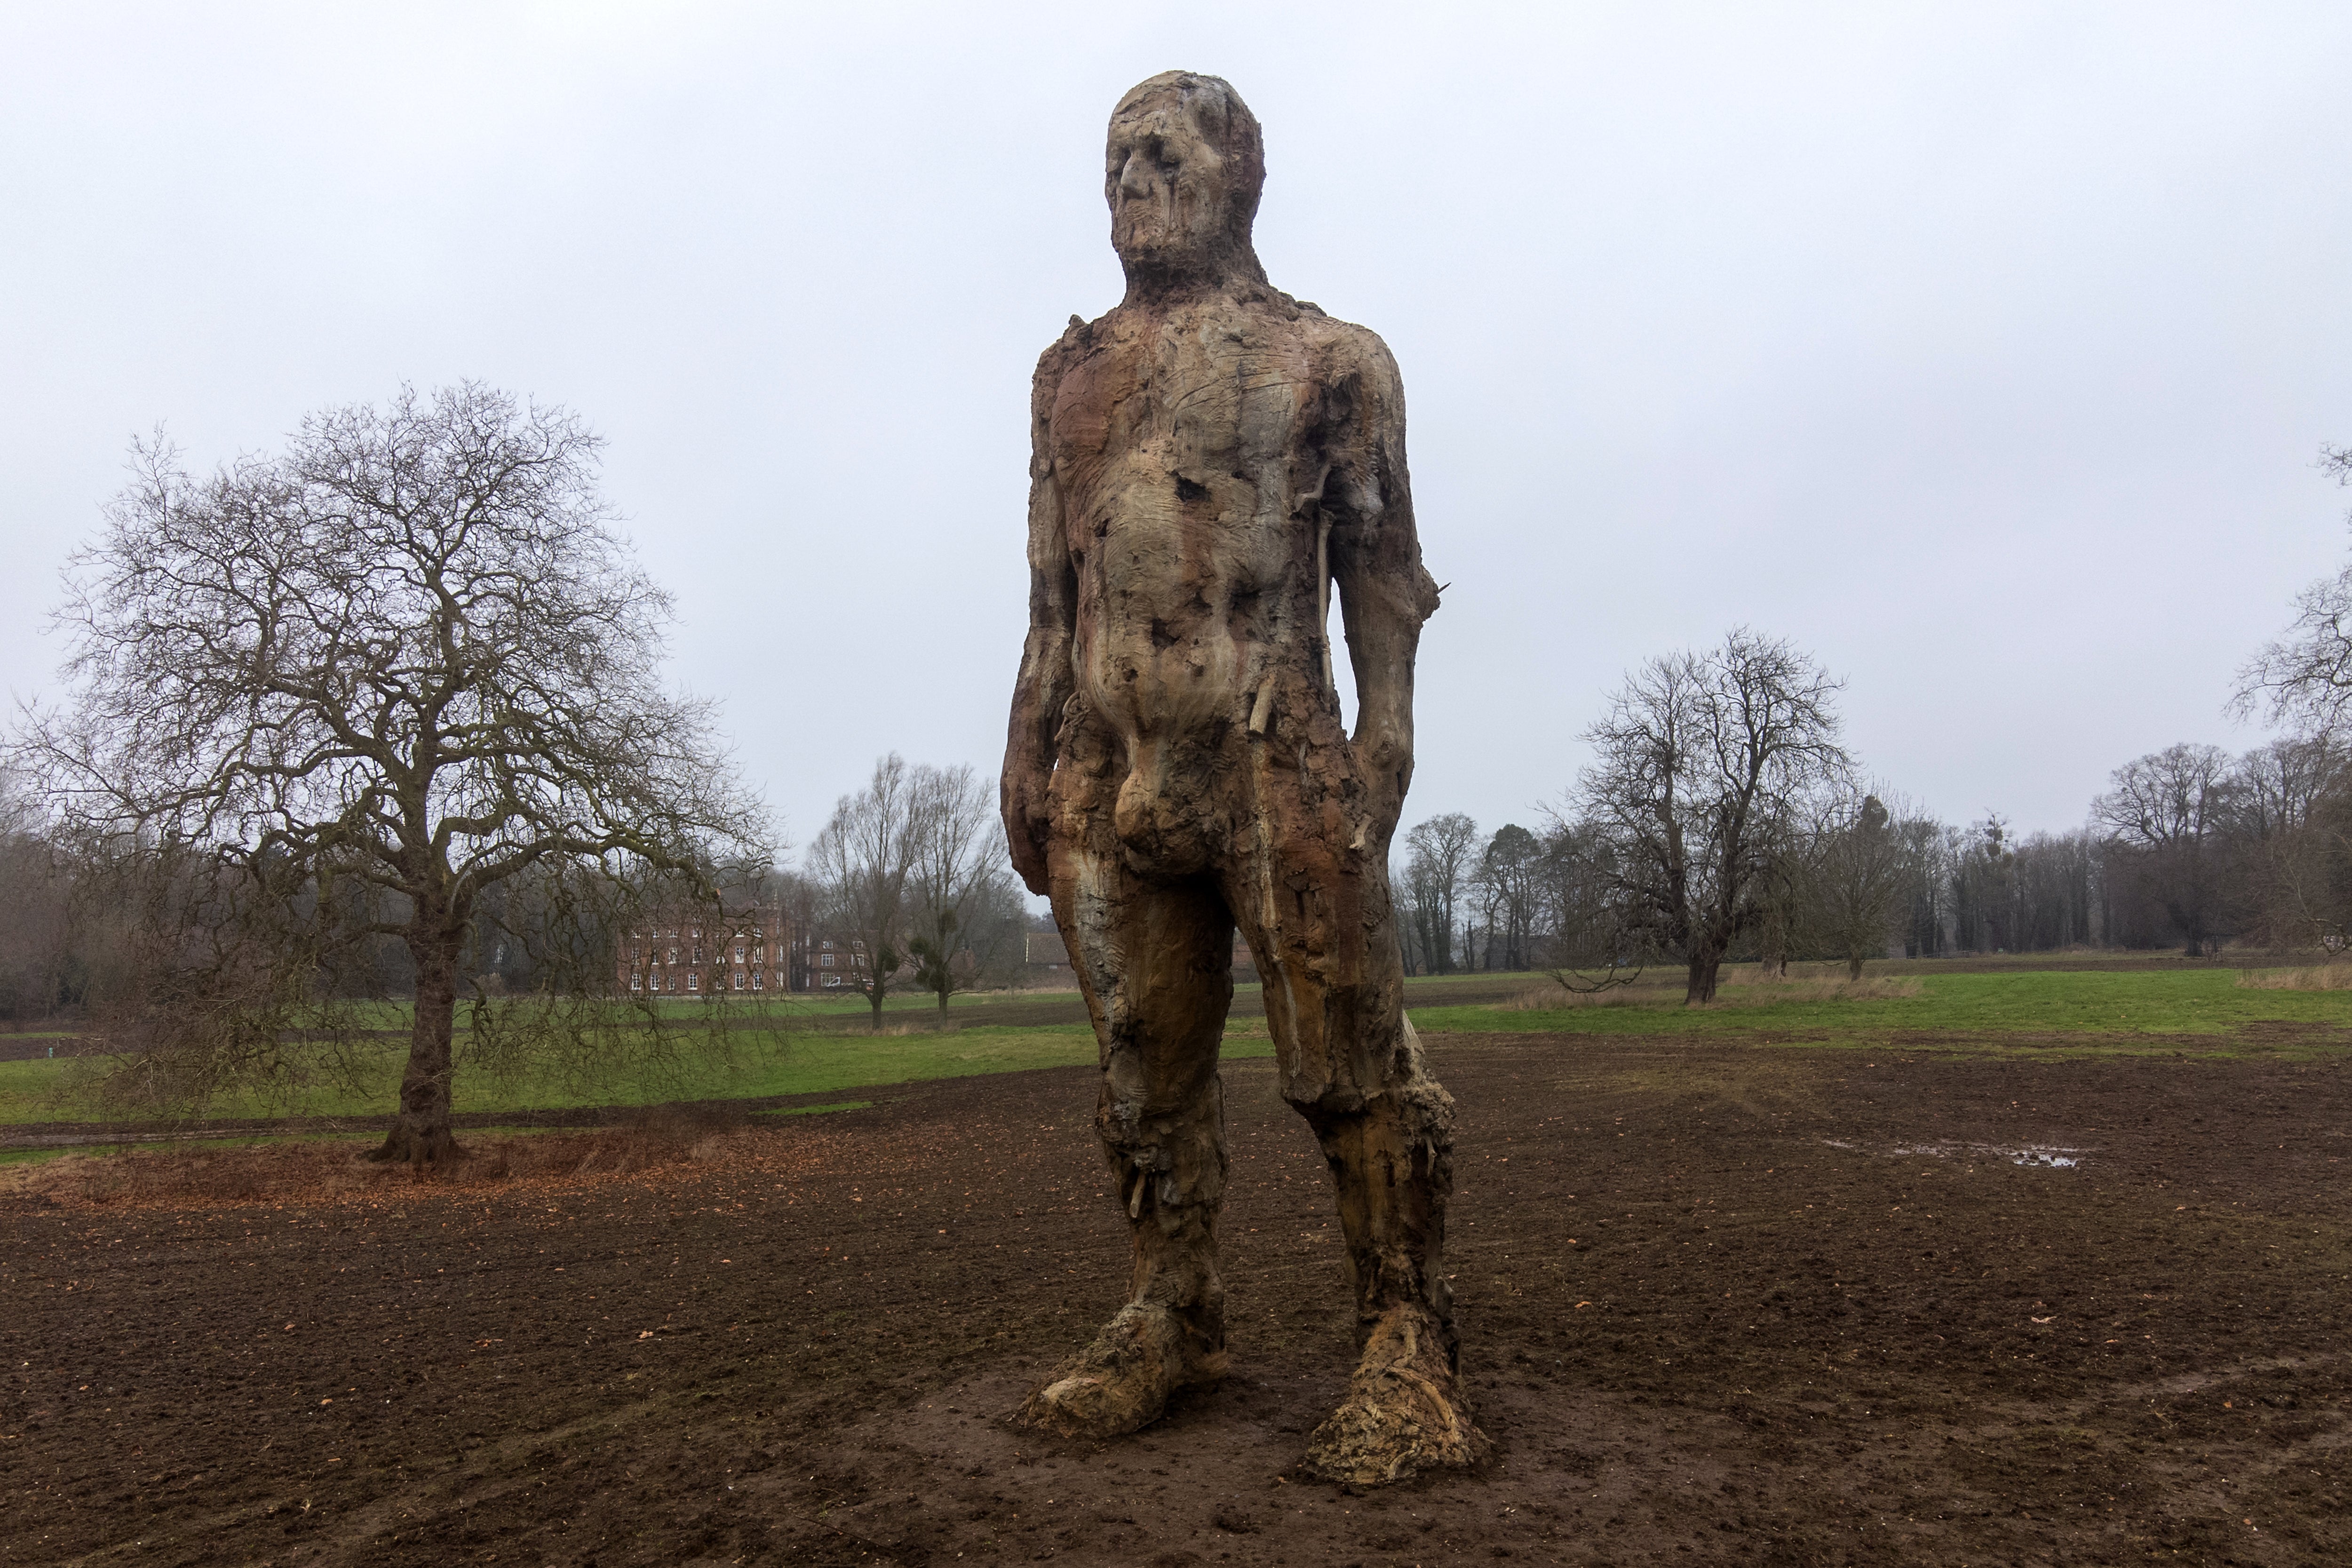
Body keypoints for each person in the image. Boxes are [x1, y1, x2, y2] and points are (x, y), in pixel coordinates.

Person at [998, 71, 1485, 1484]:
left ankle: (1407, 1338)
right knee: (1142, 1070)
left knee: (1349, 1061)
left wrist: (1382, 747)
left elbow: (1385, 583)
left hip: (1271, 753)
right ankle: (1174, 1310)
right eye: (1112, 161)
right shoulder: (1067, 376)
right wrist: (1028, 742)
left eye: (1160, 153)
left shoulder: (1333, 362)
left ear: (1235, 176)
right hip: (1109, 764)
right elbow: (1048, 587)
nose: (1130, 181)